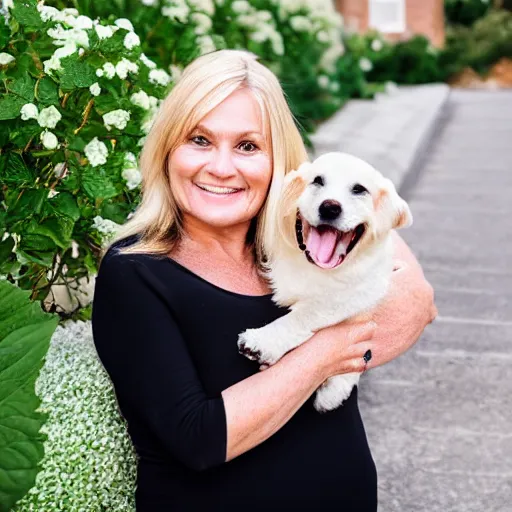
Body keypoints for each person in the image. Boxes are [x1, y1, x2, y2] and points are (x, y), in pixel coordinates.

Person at [91, 50, 436, 511]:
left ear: (280, 162)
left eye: (248, 146)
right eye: (199, 139)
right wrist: (321, 355)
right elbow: (199, 437)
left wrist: (342, 342)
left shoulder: (307, 239)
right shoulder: (135, 271)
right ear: (167, 148)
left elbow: (417, 300)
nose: (221, 167)